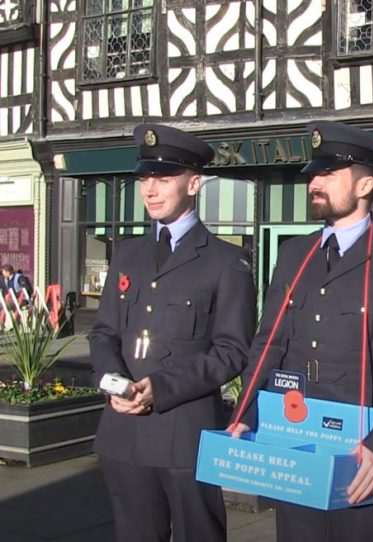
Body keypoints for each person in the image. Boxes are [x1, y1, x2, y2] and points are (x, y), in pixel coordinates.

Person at [229, 120, 373, 542]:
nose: (315, 182)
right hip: (292, 441)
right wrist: (245, 415)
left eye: (329, 173)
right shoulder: (294, 254)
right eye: (314, 173)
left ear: (365, 186)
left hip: (361, 455)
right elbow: (268, 344)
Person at [89, 123, 256, 542]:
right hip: (123, 436)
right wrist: (113, 381)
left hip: (184, 435)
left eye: (164, 179)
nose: (150, 190)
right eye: (145, 178)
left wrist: (159, 388)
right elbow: (104, 332)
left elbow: (232, 350)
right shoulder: (128, 254)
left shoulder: (226, 262)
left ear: (194, 183)